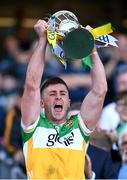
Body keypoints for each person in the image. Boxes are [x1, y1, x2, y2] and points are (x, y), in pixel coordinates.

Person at [21, 19, 107, 179]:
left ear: (68, 102)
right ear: (41, 103)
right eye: (52, 94)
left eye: (62, 94)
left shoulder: (79, 126)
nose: (58, 97)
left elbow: (100, 91)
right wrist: (42, 41)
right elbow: (32, 85)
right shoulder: (33, 125)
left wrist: (92, 49)